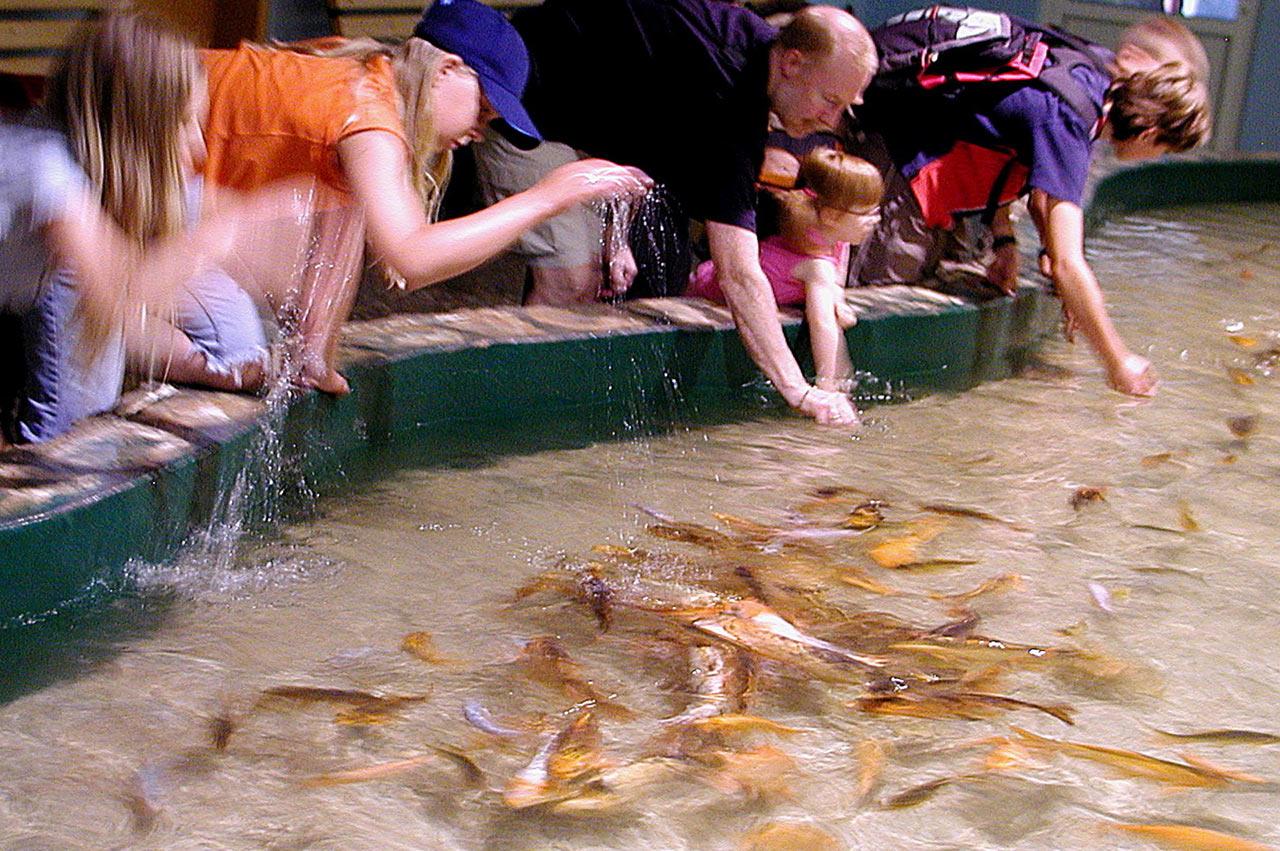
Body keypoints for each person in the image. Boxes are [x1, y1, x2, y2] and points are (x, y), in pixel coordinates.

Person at [423, 0, 877, 426]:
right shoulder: (727, 96)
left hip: (571, 119)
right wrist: (798, 391)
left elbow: (641, 111)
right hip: (515, 102)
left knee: (600, 274)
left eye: (845, 107)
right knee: (569, 277)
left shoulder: (747, 43)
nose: (831, 121)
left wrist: (615, 233)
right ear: (793, 62)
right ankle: (508, 414)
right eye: (829, 100)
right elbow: (739, 274)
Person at [197, 9, 650, 396]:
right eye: (484, 111)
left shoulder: (366, 70)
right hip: (137, 165)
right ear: (447, 69)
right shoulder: (369, 118)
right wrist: (547, 197)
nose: (479, 132)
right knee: (235, 353)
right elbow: (412, 258)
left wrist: (313, 356)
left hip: (165, 182)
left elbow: (340, 232)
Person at [851, 11, 1212, 397]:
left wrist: (1006, 241)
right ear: (1149, 132)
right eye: (1163, 149)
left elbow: (1028, 165)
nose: (1156, 158)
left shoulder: (1090, 77)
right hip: (896, 153)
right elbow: (1069, 263)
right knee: (875, 289)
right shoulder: (1070, 119)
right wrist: (1118, 360)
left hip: (927, 153)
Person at [1, 14, 238, 443]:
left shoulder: (76, 171)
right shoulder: (44, 167)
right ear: (135, 130)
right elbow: (119, 294)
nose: (200, 146)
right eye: (186, 123)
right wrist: (217, 241)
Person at [687, 149, 882, 422]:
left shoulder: (837, 237)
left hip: (716, 277)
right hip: (711, 289)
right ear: (831, 215)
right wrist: (832, 386)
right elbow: (823, 324)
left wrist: (837, 294)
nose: (877, 219)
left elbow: (837, 271)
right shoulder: (817, 268)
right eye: (867, 212)